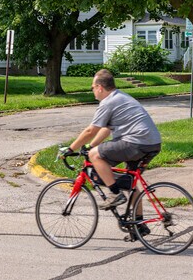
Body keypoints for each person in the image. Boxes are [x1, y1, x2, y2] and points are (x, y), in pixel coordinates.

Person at [59, 69, 162, 210]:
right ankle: (139, 225)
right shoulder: (121, 96)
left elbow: (91, 130)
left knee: (94, 155)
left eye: (93, 88)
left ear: (100, 88)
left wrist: (70, 149)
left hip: (136, 142)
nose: (93, 91)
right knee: (130, 184)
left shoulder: (108, 102)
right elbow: (106, 129)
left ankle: (115, 194)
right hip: (152, 143)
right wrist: (91, 144)